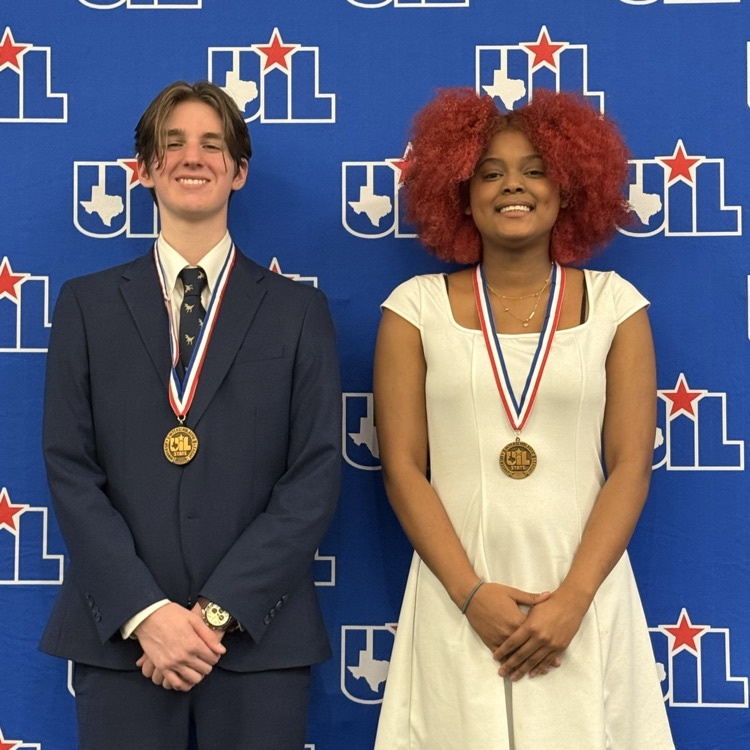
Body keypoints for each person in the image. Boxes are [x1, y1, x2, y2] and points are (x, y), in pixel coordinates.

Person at [40, 80, 341, 750]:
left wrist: (211, 616)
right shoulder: (85, 307)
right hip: (123, 642)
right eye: (171, 144)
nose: (191, 157)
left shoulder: (298, 313)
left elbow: (314, 476)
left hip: (257, 642)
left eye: (213, 144)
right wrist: (148, 614)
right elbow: (69, 471)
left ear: (239, 171)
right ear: (143, 169)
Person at [373, 88, 674, 749]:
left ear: (568, 190)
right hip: (459, 596)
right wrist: (470, 594)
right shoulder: (413, 308)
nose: (514, 185)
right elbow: (401, 468)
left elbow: (630, 466)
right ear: (460, 194)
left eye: (535, 169)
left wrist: (572, 602)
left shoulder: (617, 305)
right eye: (490, 172)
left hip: (582, 597)